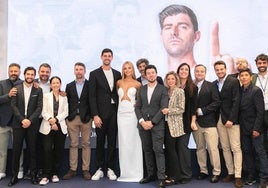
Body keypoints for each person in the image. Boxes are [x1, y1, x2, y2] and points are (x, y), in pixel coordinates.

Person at [159, 4, 236, 75]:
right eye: (168, 27)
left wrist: (225, 85)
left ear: (196, 36)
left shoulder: (211, 81)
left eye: (182, 27)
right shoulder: (153, 82)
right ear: (161, 36)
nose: (173, 32)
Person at [89, 48, 121, 181]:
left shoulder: (117, 73)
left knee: (112, 142)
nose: (107, 57)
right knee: (100, 141)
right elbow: (91, 96)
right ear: (101, 57)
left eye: (109, 56)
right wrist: (95, 115)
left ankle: (111, 168)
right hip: (100, 114)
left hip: (114, 112)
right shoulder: (94, 74)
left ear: (112, 58)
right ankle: (100, 168)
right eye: (105, 56)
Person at [8, 67, 43, 186]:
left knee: (33, 151)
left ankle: (33, 175)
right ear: (24, 75)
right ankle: (14, 176)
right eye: (28, 74)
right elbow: (13, 106)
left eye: (32, 75)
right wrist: (22, 120)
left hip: (32, 125)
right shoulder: (16, 89)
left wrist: (29, 120)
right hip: (18, 124)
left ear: (35, 76)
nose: (30, 76)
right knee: (16, 151)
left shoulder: (38, 90)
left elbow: (39, 108)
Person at [135, 64, 168, 188]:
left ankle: (161, 178)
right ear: (145, 75)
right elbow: (137, 107)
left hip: (157, 125)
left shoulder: (163, 89)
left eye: (153, 72)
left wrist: (152, 122)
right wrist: (142, 121)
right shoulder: (142, 89)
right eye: (148, 73)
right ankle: (150, 175)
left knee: (158, 150)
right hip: (143, 126)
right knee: (147, 151)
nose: (151, 75)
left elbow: (163, 108)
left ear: (156, 73)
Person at [192, 65, 224, 184]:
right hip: (196, 124)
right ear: (194, 72)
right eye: (197, 71)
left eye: (202, 71)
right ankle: (203, 171)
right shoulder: (191, 86)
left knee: (212, 149)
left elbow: (217, 102)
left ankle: (216, 173)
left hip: (210, 123)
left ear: (205, 73)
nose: (199, 73)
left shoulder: (211, 85)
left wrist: (202, 111)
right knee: (200, 148)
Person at [213, 60, 243, 184]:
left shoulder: (233, 81)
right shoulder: (214, 84)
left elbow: (237, 101)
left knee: (235, 148)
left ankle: (238, 176)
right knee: (225, 148)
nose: (219, 71)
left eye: (221, 69)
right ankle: (230, 173)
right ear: (215, 71)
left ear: (225, 69)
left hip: (231, 120)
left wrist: (231, 119)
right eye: (217, 69)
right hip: (219, 120)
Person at [239, 68, 268, 188]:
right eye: (242, 76)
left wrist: (256, 129)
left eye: (246, 75)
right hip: (243, 128)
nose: (244, 77)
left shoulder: (256, 90)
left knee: (260, 152)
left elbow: (260, 112)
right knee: (247, 153)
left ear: (251, 77)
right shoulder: (239, 91)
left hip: (256, 128)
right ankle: (251, 177)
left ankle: (264, 179)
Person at [62, 62, 92, 180]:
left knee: (86, 144)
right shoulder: (69, 86)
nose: (79, 71)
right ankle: (72, 169)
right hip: (72, 118)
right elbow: (66, 101)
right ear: (74, 71)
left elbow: (92, 101)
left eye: (81, 69)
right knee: (73, 144)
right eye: (77, 69)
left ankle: (86, 169)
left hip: (86, 118)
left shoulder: (90, 84)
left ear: (84, 71)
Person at [24, 63, 52, 180]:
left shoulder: (53, 84)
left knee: (45, 147)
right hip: (34, 120)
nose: (44, 74)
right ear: (39, 72)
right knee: (32, 146)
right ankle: (31, 170)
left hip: (47, 121)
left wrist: (61, 92)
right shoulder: (32, 82)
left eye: (47, 72)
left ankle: (42, 170)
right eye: (42, 71)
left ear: (50, 73)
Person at [116, 61, 143, 182]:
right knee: (123, 143)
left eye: (129, 68)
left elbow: (141, 101)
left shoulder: (138, 84)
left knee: (134, 142)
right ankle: (125, 173)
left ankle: (136, 172)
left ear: (133, 70)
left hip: (133, 116)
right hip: (120, 115)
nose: (127, 70)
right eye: (125, 68)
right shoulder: (119, 82)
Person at [39, 76, 68, 185]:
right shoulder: (45, 96)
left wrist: (56, 120)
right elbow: (43, 111)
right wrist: (51, 120)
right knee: (47, 151)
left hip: (60, 127)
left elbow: (66, 112)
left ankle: (55, 173)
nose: (56, 85)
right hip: (47, 126)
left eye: (58, 83)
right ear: (50, 85)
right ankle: (46, 175)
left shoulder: (64, 97)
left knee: (58, 151)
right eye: (53, 83)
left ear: (60, 84)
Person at [0, 63, 24, 180]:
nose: (13, 73)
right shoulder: (2, 83)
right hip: (3, 122)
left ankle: (19, 170)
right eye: (11, 71)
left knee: (18, 149)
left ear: (19, 72)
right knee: (1, 150)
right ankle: (1, 171)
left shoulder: (24, 83)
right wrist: (8, 96)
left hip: (18, 123)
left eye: (16, 71)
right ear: (8, 71)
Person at [161, 71, 185, 185]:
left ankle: (176, 177)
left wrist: (169, 111)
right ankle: (170, 174)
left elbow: (181, 109)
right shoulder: (165, 91)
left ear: (176, 80)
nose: (170, 81)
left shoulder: (179, 91)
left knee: (172, 151)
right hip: (164, 124)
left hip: (174, 125)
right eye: (168, 79)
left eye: (172, 79)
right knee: (168, 150)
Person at [176, 62, 197, 184]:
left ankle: (186, 174)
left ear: (188, 73)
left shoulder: (193, 87)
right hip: (173, 122)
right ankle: (176, 173)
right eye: (182, 69)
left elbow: (193, 107)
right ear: (178, 71)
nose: (184, 71)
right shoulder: (173, 85)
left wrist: (193, 121)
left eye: (186, 69)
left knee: (183, 147)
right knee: (174, 148)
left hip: (186, 122)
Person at [251, 54, 268, 155]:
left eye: (264, 63)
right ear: (256, 64)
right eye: (259, 63)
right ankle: (263, 169)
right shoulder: (253, 78)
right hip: (257, 115)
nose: (261, 65)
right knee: (259, 145)